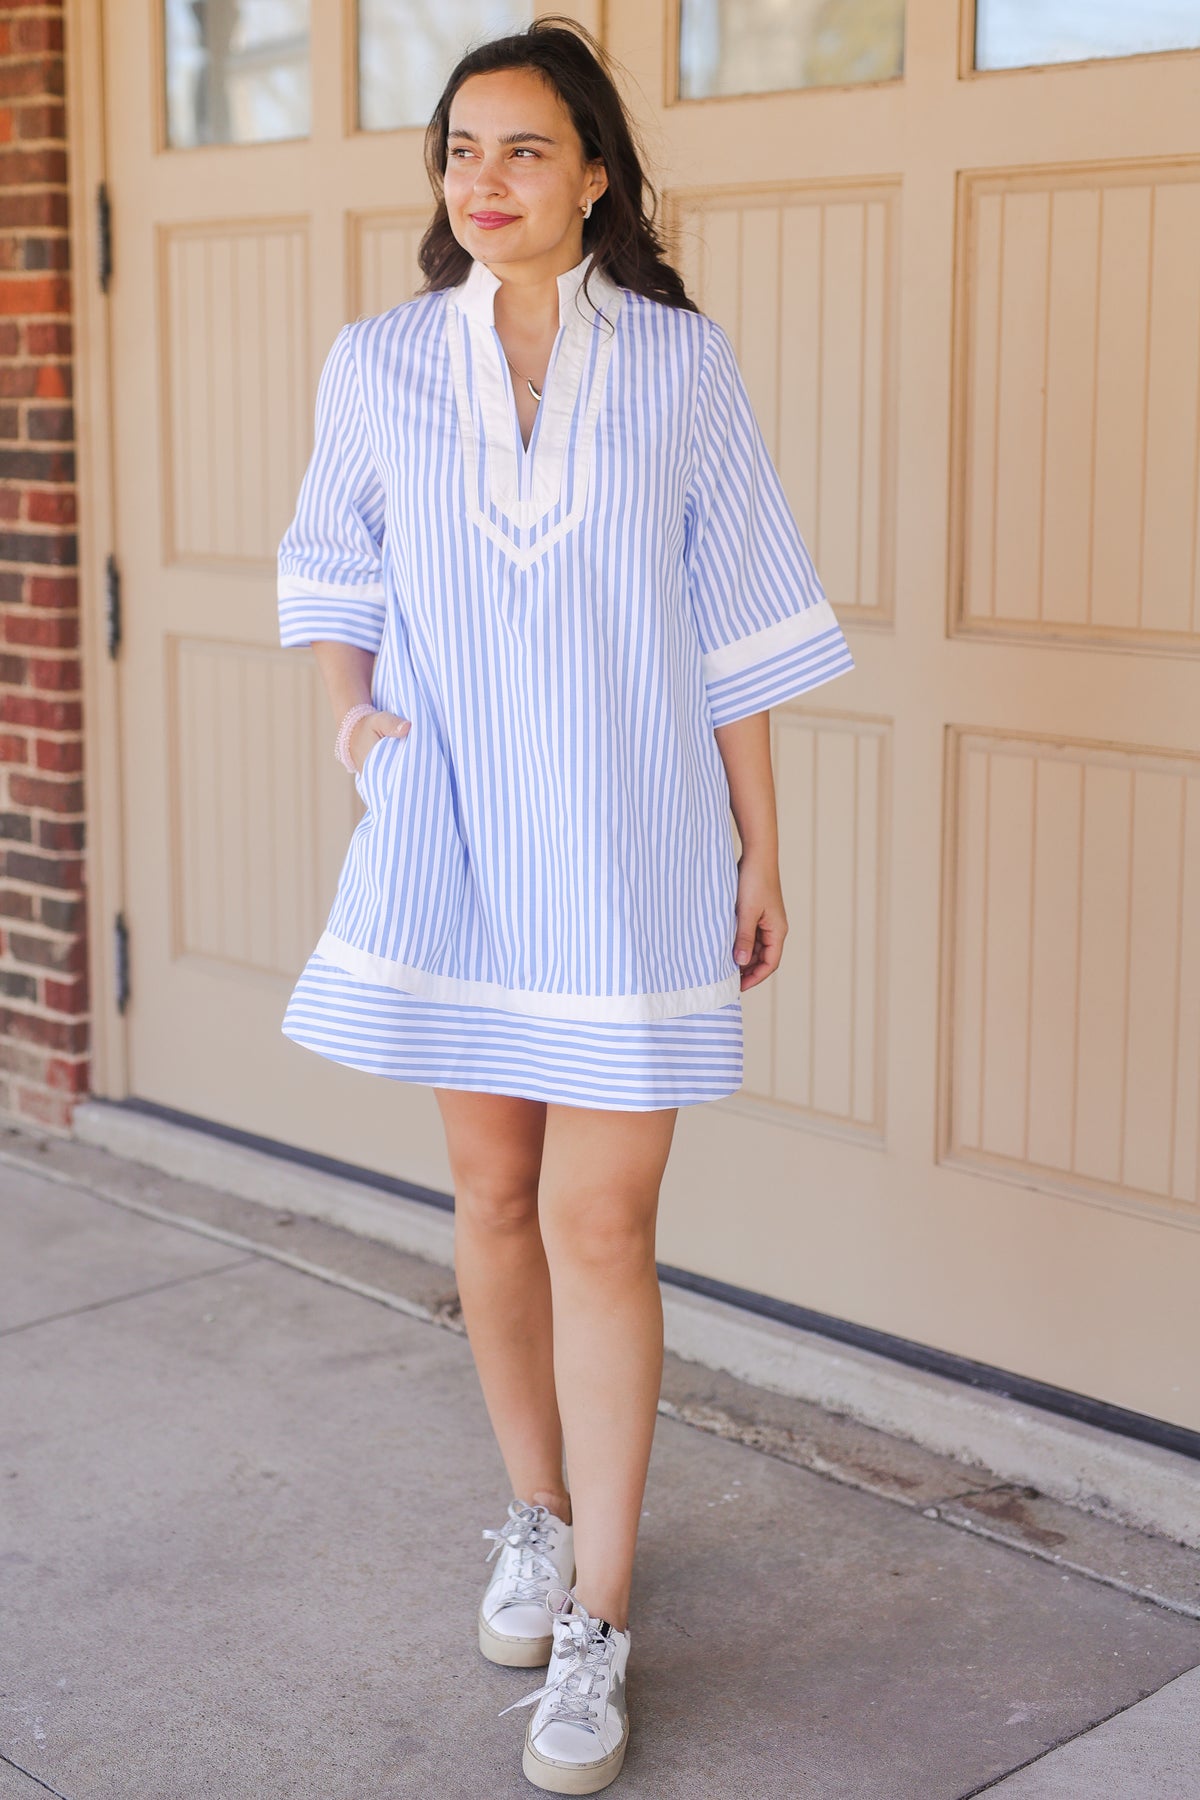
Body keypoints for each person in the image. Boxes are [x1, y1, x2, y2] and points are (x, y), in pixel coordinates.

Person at [276, 17, 854, 1793]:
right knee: (492, 1194)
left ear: (596, 170)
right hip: (460, 846)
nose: (486, 180)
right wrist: (366, 736)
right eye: (462, 149)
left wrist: (760, 847)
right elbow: (332, 573)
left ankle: (597, 1610)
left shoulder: (679, 365)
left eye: (523, 148)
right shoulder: (379, 363)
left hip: (628, 849)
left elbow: (740, 624)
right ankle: (532, 1516)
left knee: (604, 1226)